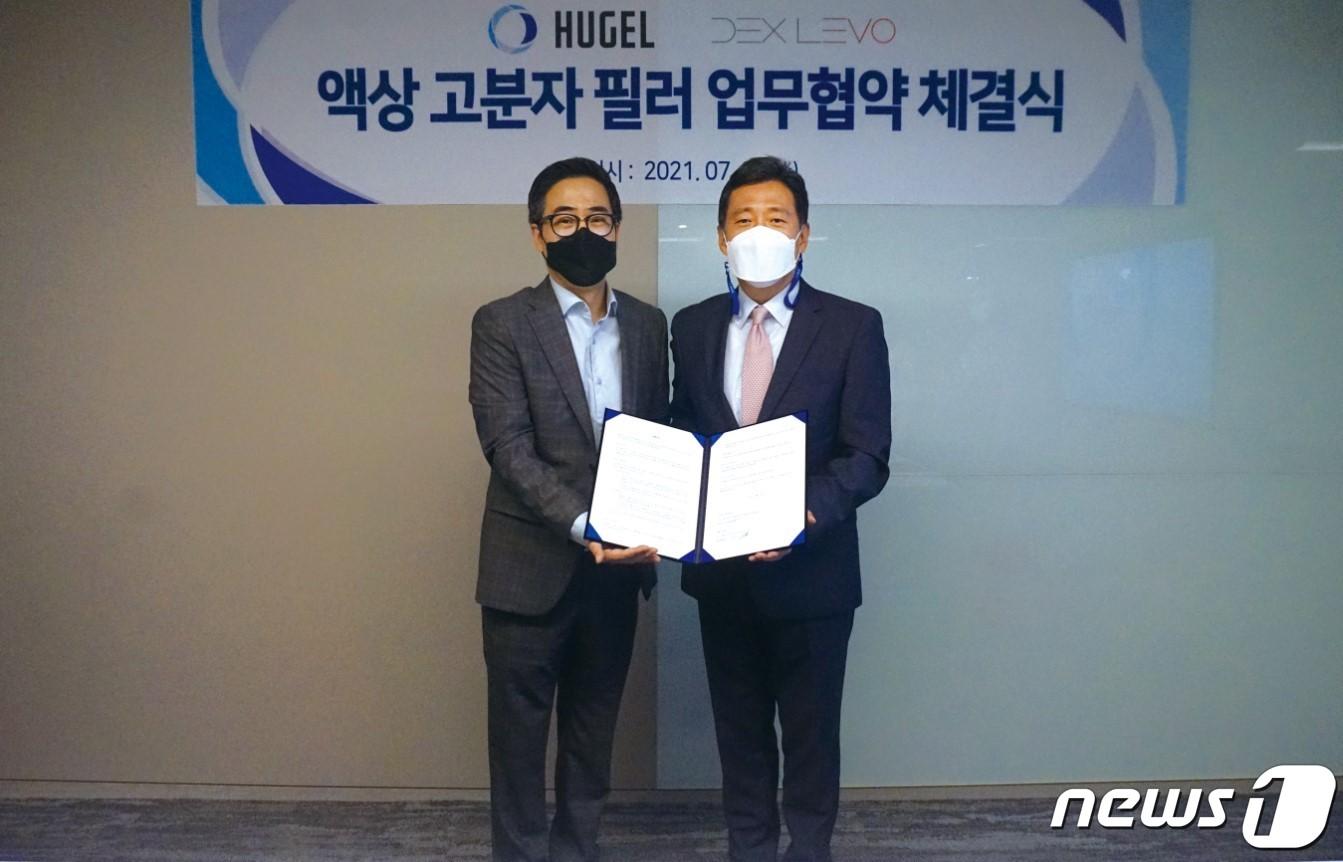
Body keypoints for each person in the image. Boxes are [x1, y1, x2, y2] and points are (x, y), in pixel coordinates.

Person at [669, 156, 891, 862]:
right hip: (722, 576)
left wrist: (802, 516)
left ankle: (809, 851)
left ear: (802, 236)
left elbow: (867, 455)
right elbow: (685, 436)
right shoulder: (692, 327)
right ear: (720, 237)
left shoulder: (852, 325)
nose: (758, 232)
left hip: (813, 576)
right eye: (743, 220)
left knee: (810, 738)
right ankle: (750, 850)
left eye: (775, 219)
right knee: (738, 739)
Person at [468, 156, 668, 862]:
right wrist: (588, 526)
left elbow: (657, 440)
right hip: (528, 569)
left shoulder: (648, 325)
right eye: (564, 219)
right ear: (536, 233)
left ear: (617, 228)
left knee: (592, 735)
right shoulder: (501, 323)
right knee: (517, 744)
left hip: (616, 574)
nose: (583, 231)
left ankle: (577, 850)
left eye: (597, 218)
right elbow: (507, 445)